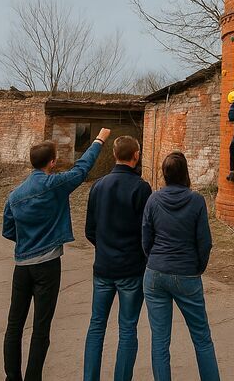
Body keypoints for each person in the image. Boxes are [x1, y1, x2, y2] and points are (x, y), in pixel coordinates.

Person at [2, 127, 110, 381]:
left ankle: (11, 377)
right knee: (41, 326)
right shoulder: (55, 185)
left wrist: (29, 239)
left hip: (22, 266)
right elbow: (82, 170)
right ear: (52, 162)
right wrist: (98, 140)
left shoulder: (14, 196)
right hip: (48, 265)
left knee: (14, 324)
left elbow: (8, 230)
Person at [142, 151, 220, 381]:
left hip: (156, 273)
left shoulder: (154, 199)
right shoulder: (196, 200)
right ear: (185, 172)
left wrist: (154, 259)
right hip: (186, 273)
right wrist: (198, 268)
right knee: (202, 338)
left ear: (164, 174)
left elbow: (146, 238)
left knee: (159, 340)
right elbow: (204, 241)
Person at [83, 135, 152, 381]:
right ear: (136, 155)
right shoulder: (141, 188)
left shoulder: (98, 186)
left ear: (114, 155)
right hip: (131, 270)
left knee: (96, 326)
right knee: (127, 328)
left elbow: (89, 229)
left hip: (103, 268)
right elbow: (147, 231)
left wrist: (104, 247)